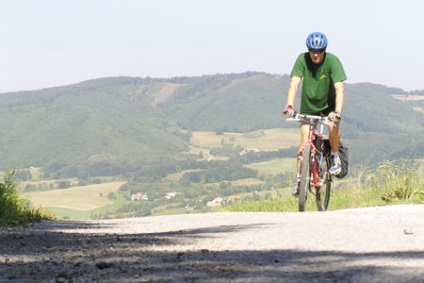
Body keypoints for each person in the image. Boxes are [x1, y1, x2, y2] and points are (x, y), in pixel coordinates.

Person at [283, 31, 347, 195]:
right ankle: (300, 180)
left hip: (329, 108)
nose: (315, 55)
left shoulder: (332, 61)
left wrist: (337, 112)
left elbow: (339, 88)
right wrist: (290, 105)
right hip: (308, 107)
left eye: (319, 51)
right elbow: (294, 83)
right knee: (304, 143)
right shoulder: (302, 59)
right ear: (308, 50)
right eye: (312, 51)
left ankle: (333, 156)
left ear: (324, 50)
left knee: (333, 127)